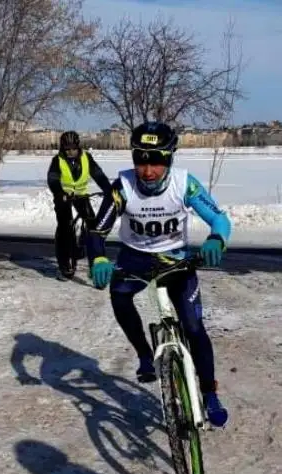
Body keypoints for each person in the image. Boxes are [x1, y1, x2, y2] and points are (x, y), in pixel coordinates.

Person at [85, 121, 229, 427]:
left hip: (175, 259)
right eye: (141, 161)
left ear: (170, 159)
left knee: (194, 327)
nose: (148, 171)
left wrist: (216, 238)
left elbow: (219, 218)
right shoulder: (122, 187)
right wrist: (98, 257)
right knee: (119, 296)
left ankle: (209, 393)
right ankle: (144, 355)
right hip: (135, 259)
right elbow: (97, 230)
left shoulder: (184, 184)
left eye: (156, 162)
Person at [47, 130, 112, 280]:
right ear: (62, 148)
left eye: (73, 149)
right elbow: (53, 180)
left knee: (93, 225)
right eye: (67, 149)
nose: (71, 152)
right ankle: (65, 264)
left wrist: (108, 190)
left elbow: (98, 175)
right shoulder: (57, 160)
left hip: (81, 196)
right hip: (63, 197)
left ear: (78, 147)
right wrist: (59, 193)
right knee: (65, 226)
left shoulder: (86, 158)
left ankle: (95, 260)